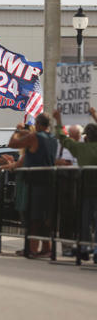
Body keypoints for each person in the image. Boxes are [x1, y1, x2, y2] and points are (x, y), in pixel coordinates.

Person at [8, 112, 58, 258]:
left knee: (33, 217)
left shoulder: (34, 136)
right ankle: (46, 248)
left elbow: (13, 144)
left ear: (37, 124)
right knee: (44, 217)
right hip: (49, 180)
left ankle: (32, 248)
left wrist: (17, 131)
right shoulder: (53, 138)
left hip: (35, 181)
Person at [53, 108, 97, 262]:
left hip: (84, 189)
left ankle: (84, 248)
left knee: (84, 221)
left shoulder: (80, 148)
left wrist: (58, 120)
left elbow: (62, 138)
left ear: (85, 137)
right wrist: (94, 115)